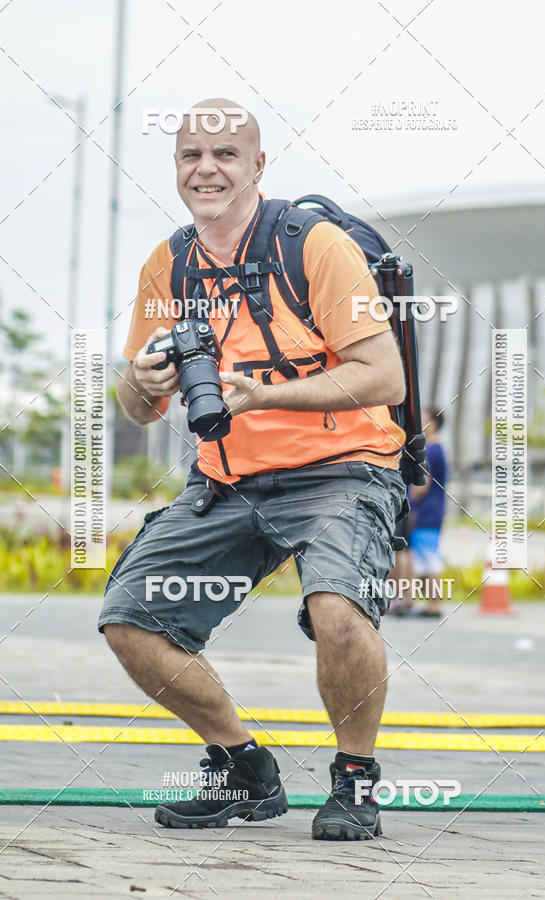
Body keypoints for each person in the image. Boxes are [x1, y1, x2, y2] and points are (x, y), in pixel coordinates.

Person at [98, 98, 408, 841]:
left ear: (258, 165)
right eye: (190, 157)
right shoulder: (168, 263)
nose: (207, 169)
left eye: (226, 155)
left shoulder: (316, 246)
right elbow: (138, 406)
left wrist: (266, 394)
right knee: (131, 620)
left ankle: (355, 778)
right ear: (176, 168)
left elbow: (385, 375)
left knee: (337, 611)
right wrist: (140, 382)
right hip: (229, 479)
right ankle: (244, 768)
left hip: (342, 467)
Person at [408, 407, 447, 617]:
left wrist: (409, 505)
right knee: (425, 559)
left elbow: (422, 483)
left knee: (429, 560)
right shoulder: (438, 448)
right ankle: (431, 605)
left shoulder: (430, 450)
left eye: (422, 419)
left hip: (426, 513)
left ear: (433, 423)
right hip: (433, 512)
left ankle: (434, 605)